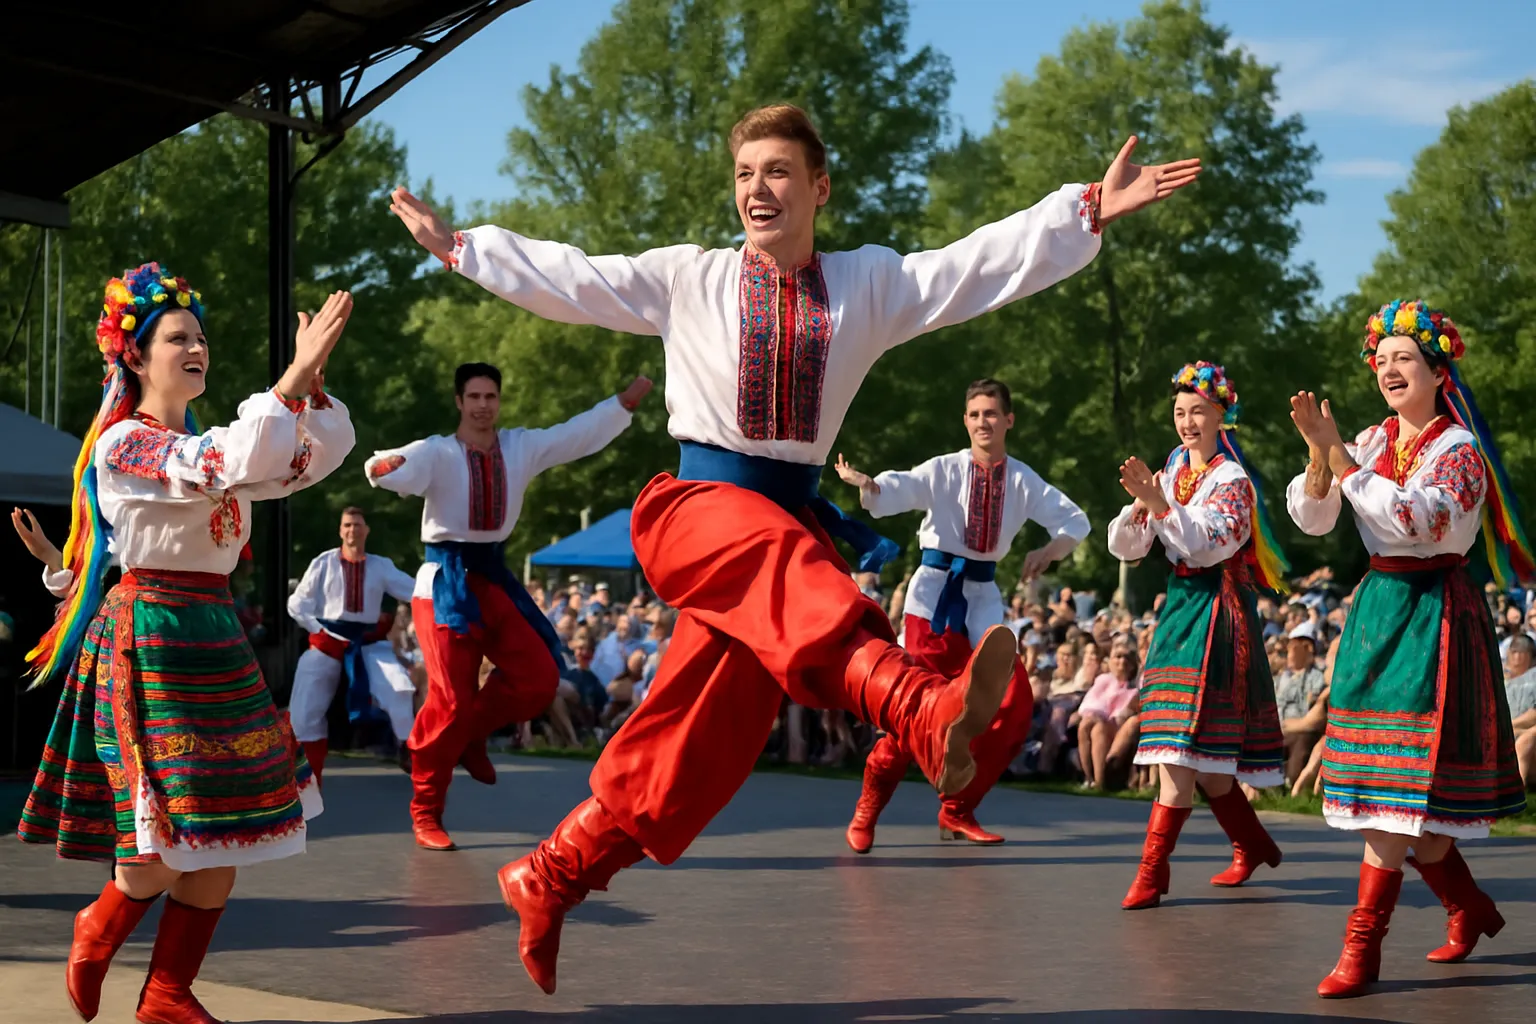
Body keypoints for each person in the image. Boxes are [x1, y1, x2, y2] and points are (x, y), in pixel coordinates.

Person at [388, 102, 1199, 993]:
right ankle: (918, 707)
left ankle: (551, 873)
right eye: (743, 175)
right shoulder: (686, 277)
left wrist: (1080, 209)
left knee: (705, 735)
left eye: (775, 172)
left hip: (788, 529)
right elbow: (574, 277)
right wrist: (461, 247)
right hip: (700, 512)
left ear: (818, 187)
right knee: (782, 572)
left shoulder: (868, 284)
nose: (755, 189)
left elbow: (974, 266)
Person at [15, 265, 354, 1023]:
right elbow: (218, 465)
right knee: (171, 833)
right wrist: (290, 382)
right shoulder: (127, 445)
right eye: (178, 338)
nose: (196, 348)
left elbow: (302, 460)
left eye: (200, 337)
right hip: (152, 637)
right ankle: (98, 924)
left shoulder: (215, 442)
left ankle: (167, 993)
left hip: (213, 633)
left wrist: (308, 388)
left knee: (227, 834)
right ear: (134, 356)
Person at [1287, 300, 1532, 998]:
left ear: (1436, 370)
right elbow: (1314, 518)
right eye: (1383, 359)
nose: (1390, 369)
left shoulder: (1458, 450)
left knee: (1397, 795)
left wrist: (1338, 455)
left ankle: (1360, 950)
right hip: (1378, 612)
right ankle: (1471, 910)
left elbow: (1416, 519)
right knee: (1405, 806)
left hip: (1432, 615)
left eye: (1405, 359)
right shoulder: (1367, 439)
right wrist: (1318, 456)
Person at [366, 361, 652, 851]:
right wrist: (382, 467)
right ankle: (425, 809)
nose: (482, 405)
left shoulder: (520, 447)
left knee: (539, 678)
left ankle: (467, 736)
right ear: (459, 402)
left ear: (499, 401)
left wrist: (620, 406)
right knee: (450, 700)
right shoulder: (438, 452)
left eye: (490, 397)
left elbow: (573, 436)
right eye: (473, 396)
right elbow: (396, 467)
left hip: (492, 579)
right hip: (442, 584)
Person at [837, 378, 1090, 849]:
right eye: (974, 414)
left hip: (983, 599)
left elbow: (1075, 520)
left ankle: (957, 808)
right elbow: (902, 489)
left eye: (991, 414)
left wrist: (1050, 551)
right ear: (965, 421)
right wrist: (870, 485)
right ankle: (868, 808)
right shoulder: (945, 469)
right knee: (911, 717)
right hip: (933, 599)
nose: (982, 422)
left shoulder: (1021, 479)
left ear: (1008, 420)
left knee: (1013, 704)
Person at [1108, 361, 1290, 910]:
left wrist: (1161, 504)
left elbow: (1209, 545)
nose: (1187, 422)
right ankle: (1253, 844)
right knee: (1195, 756)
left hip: (1218, 611)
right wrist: (1143, 506)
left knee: (1186, 752)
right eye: (1180, 412)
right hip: (1180, 609)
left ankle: (1151, 871)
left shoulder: (1232, 479)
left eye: (1198, 412)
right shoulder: (1170, 470)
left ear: (1221, 416)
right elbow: (1126, 548)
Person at [286, 506, 419, 781]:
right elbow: (297, 604)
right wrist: (318, 630)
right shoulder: (324, 563)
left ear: (366, 530)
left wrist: (440, 581)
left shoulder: (380, 566)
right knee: (304, 709)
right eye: (347, 525)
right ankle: (305, 782)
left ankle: (410, 750)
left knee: (399, 687)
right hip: (328, 641)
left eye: (357, 525)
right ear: (340, 530)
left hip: (368, 641)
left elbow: (415, 590)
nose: (351, 530)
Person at [1076, 642, 1143, 790]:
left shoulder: (1135, 689)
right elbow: (1089, 704)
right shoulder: (1103, 680)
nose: (1122, 661)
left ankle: (1099, 781)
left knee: (1099, 728)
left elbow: (1124, 716)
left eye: (1127, 658)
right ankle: (1088, 777)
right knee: (1088, 724)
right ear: (1110, 661)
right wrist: (1097, 717)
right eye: (1117, 657)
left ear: (1133, 664)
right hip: (1099, 722)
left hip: (1119, 730)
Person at [1274, 621, 1328, 785]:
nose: (1289, 654)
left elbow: (1311, 709)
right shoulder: (1282, 678)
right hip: (1279, 727)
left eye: (1293, 648)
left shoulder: (1315, 677)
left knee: (1301, 744)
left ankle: (1292, 781)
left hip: (1300, 728)